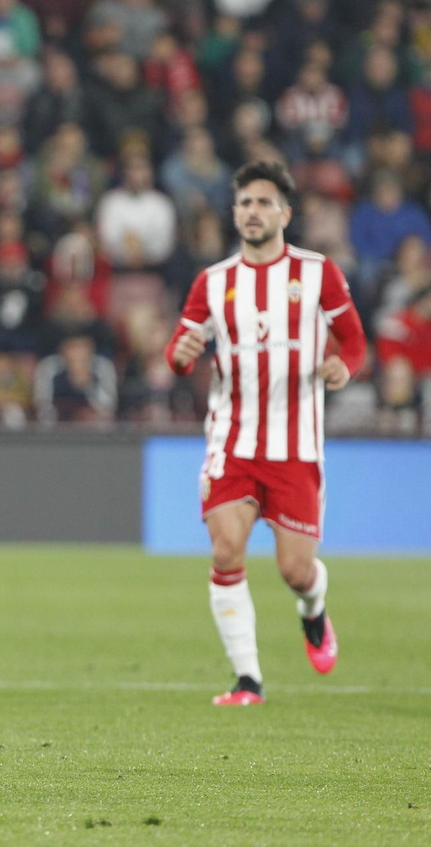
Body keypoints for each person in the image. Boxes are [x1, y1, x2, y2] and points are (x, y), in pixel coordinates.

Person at [164, 162, 367, 706]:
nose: (253, 212)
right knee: (226, 550)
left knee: (295, 571)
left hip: (295, 447)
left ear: (285, 213)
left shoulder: (318, 272)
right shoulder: (214, 281)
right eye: (244, 203)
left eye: (263, 202)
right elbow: (180, 349)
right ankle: (247, 680)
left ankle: (313, 608)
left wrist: (342, 368)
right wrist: (180, 357)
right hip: (231, 441)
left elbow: (353, 341)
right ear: (234, 214)